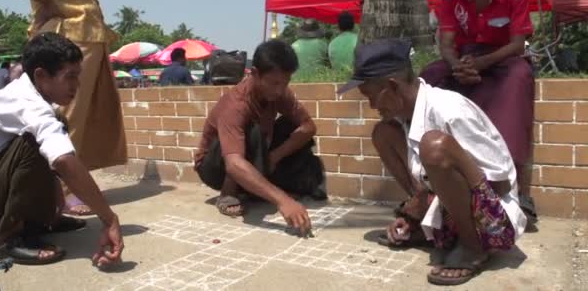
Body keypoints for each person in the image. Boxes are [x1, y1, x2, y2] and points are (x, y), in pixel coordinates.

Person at [337, 39, 526, 286]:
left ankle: (472, 247)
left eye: (371, 97)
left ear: (392, 87)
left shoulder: (449, 110)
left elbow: (499, 185)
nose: (372, 106)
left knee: (434, 146)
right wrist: (418, 211)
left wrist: (429, 201)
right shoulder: (407, 116)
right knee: (382, 133)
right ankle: (433, 226)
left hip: (493, 223)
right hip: (449, 210)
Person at [0, 0, 127, 216]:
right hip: (68, 39)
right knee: (68, 114)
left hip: (91, 39)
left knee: (90, 114)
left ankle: (74, 183)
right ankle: (65, 190)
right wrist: (44, 0)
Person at [0, 33, 124, 267]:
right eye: (70, 77)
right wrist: (109, 219)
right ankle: (3, 238)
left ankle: (42, 222)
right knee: (34, 143)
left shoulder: (31, 99)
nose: (77, 85)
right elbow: (63, 161)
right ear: (41, 75)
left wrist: (53, 211)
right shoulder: (27, 103)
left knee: (54, 132)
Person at [419, 0, 537, 225]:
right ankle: (424, 186)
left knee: (518, 80)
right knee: (428, 77)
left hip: (502, 59)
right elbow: (446, 44)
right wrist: (457, 65)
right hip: (463, 60)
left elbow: (517, 45)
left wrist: (482, 64)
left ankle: (511, 188)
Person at [195, 40, 324, 236]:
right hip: (215, 166)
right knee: (252, 130)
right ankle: (229, 194)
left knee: (293, 128)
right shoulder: (236, 105)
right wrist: (282, 200)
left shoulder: (280, 93)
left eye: (285, 83)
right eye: (274, 83)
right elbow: (233, 163)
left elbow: (308, 127)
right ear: (255, 74)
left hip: (257, 153)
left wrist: (274, 156)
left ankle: (253, 190)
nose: (280, 90)